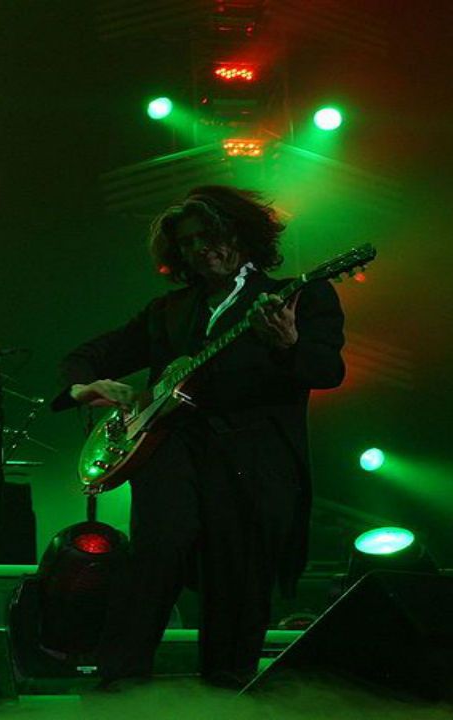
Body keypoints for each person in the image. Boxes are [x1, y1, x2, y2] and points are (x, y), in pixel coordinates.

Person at [52, 186, 346, 689]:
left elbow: (327, 371)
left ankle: (226, 691)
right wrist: (83, 387)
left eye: (209, 236)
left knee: (239, 573)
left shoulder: (298, 295)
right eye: (187, 242)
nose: (199, 249)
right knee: (154, 556)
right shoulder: (167, 310)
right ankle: (119, 686)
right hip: (171, 449)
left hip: (253, 459)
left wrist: (288, 344)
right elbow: (89, 355)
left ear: (241, 234)